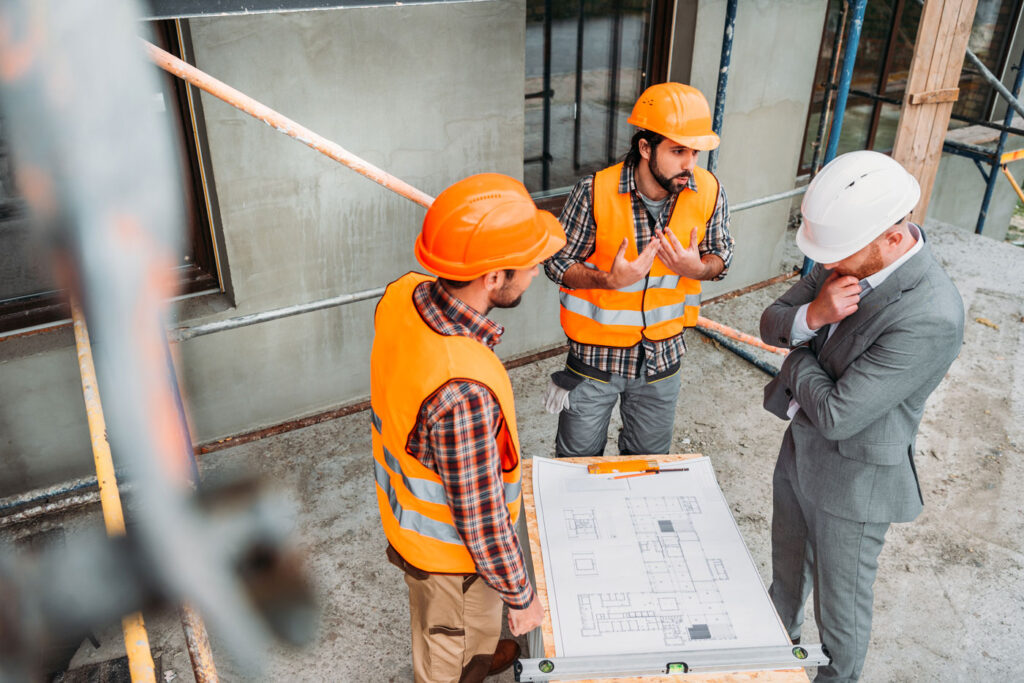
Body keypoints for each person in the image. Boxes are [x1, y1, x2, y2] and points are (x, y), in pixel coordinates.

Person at [759, 151, 965, 682]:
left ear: (892, 239)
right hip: (799, 452)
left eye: (839, 257)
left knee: (840, 618)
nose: (828, 267)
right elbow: (771, 321)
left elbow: (837, 415)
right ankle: (768, 664)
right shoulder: (847, 251)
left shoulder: (932, 314)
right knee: (784, 581)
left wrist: (796, 354)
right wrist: (812, 315)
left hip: (855, 485)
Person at [370, 174, 566, 682]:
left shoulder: (403, 294)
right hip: (450, 559)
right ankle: (464, 664)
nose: (538, 270)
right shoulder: (463, 390)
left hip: (410, 522)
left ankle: (477, 654)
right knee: (446, 655)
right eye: (530, 262)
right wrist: (521, 598)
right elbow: (480, 519)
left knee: (466, 633)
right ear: (493, 278)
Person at [543, 82, 734, 458]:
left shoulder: (709, 192)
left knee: (648, 467)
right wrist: (608, 280)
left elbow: (722, 257)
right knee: (577, 466)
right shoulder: (594, 192)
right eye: (677, 151)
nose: (689, 164)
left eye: (694, 152)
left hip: (662, 358)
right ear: (646, 148)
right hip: (594, 360)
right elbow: (556, 262)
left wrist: (698, 268)